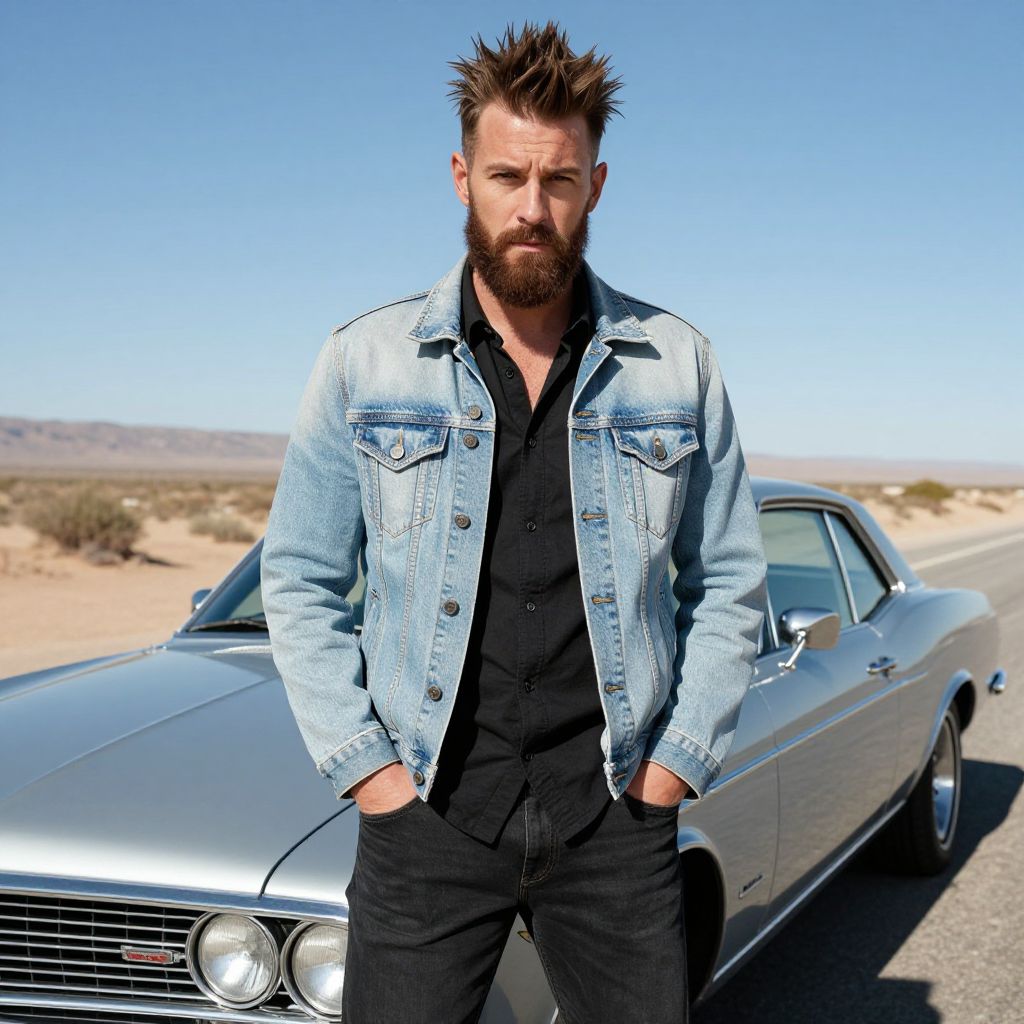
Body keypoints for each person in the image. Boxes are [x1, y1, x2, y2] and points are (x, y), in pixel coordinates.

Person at [261, 20, 768, 1024]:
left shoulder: (677, 362)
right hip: (427, 820)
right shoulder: (363, 362)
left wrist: (667, 777)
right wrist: (372, 781)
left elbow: (732, 585)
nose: (532, 210)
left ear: (597, 184)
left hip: (615, 820)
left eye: (560, 180)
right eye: (506, 177)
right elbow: (301, 577)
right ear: (460, 177)